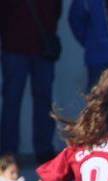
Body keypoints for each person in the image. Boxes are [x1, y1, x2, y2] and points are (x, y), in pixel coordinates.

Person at [0, 0, 62, 163]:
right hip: (14, 47)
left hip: (38, 47)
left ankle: (42, 150)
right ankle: (9, 152)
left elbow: (56, 10)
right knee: (13, 101)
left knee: (41, 101)